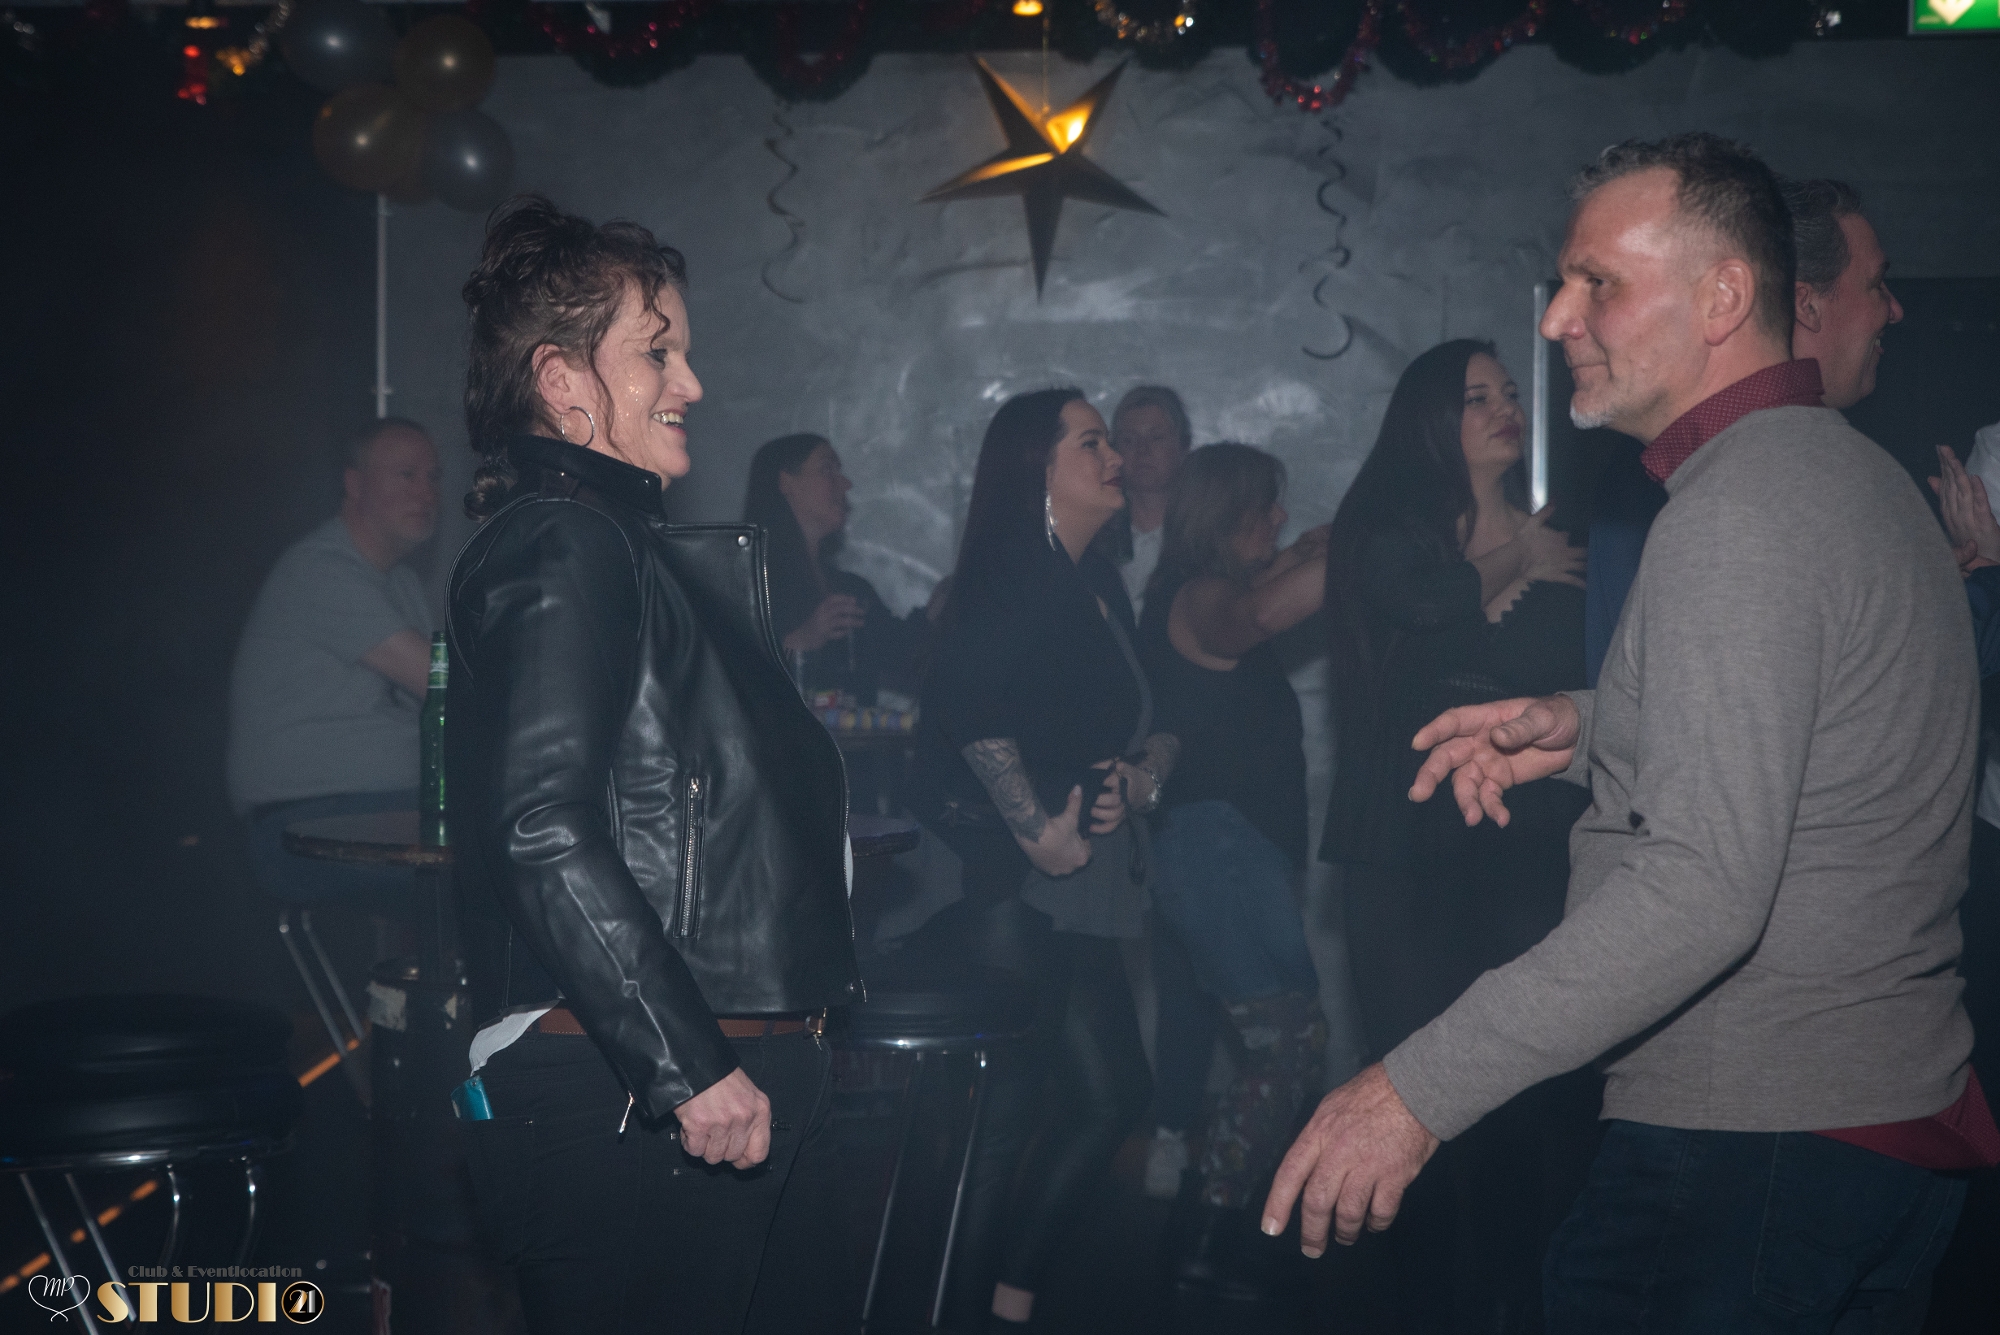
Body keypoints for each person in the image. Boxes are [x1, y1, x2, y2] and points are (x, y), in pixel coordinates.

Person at [1268, 134, 2000, 1331]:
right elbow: (1843, 729)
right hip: (1876, 1131)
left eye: (1595, 282)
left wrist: (1409, 1089)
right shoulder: (1844, 476)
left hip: (1746, 1149)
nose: (1557, 319)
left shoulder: (1738, 509)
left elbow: (1701, 891)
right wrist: (1591, 726)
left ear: (1721, 297)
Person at [444, 196, 862, 1334]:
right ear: (562, 381)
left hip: (714, 1072)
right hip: (634, 1088)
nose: (692, 384)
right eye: (657, 352)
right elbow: (537, 825)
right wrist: (685, 1063)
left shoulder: (623, 547)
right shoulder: (561, 539)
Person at [1321, 339, 1594, 1331]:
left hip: (1525, 846)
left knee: (1530, 1093)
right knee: (1413, 1082)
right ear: (1431, 420)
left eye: (1508, 392)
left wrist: (1531, 557)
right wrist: (1512, 560)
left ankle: (1519, 1300)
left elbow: (1596, 680)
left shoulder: (1566, 541)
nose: (1502, 407)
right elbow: (1421, 602)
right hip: (1406, 846)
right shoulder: (1389, 529)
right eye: (1476, 396)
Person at [910, 387, 1178, 1333]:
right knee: (1009, 1115)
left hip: (1071, 890)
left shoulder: (1092, 579)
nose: (1115, 457)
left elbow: (1152, 721)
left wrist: (1138, 780)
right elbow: (965, 700)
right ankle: (966, 1311)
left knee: (1112, 1094)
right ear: (1039, 470)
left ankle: (1006, 1298)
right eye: (1092, 442)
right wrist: (1034, 826)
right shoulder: (1009, 570)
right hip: (1007, 883)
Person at [1136, 443, 1330, 1292]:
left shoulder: (1199, 584)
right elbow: (1260, 613)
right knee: (1285, 1044)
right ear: (1224, 514)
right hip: (1214, 848)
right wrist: (1361, 545)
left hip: (1232, 852)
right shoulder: (1198, 595)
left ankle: (1213, 1230)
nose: (1279, 517)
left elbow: (1276, 577)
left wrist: (1312, 546)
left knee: (1289, 1045)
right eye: (1266, 505)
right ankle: (1202, 1239)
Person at [1581, 176, 1903, 686]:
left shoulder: (1779, 460)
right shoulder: (1731, 473)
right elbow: (1677, 695)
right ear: (1804, 304)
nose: (1895, 309)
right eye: (1876, 285)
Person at [227, 417, 441, 913]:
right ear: (355, 484)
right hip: (306, 826)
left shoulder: (403, 585)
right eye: (406, 475)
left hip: (372, 811)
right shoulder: (320, 570)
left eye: (433, 477)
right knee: (509, 872)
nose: (426, 492)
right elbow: (441, 685)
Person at [743, 432, 926, 705]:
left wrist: (938, 613)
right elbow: (730, 677)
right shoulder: (747, 584)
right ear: (786, 483)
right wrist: (800, 641)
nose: (846, 483)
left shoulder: (851, 589)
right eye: (827, 469)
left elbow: (903, 654)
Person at [1106, 385, 1194, 618]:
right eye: (1129, 440)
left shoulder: (1205, 539)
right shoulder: (1095, 538)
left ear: (1183, 447)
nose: (1143, 451)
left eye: (1156, 438)